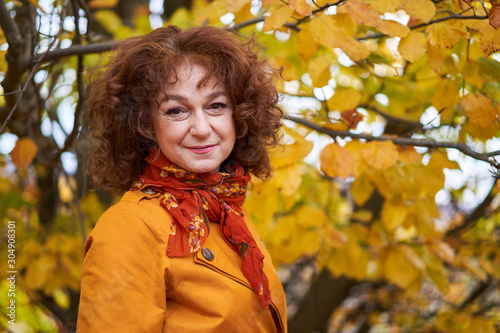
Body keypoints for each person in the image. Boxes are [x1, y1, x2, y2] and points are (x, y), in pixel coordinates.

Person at [76, 25, 287, 332]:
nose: (202, 128)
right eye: (176, 111)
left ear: (239, 113)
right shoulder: (130, 226)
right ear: (143, 124)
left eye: (216, 105)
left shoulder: (227, 212)